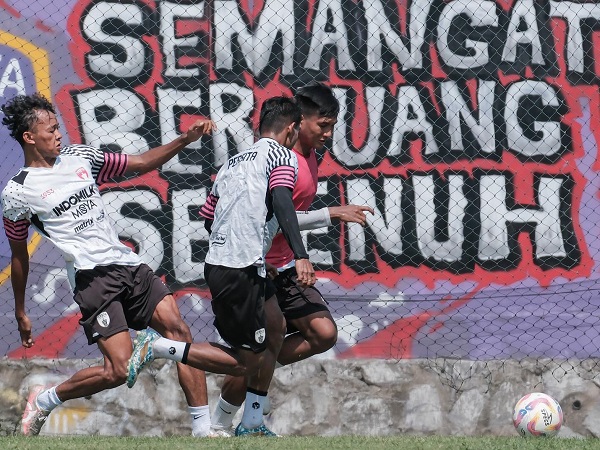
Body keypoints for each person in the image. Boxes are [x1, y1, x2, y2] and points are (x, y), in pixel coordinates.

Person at [0, 93, 224, 437]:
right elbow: (18, 254)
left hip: (128, 264)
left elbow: (141, 163)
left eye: (59, 127)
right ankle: (46, 399)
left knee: (177, 330)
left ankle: (202, 429)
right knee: (118, 370)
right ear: (29, 137)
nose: (59, 134)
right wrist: (20, 311)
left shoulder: (80, 157)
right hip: (93, 279)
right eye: (50, 130)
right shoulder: (17, 192)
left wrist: (184, 139)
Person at [128, 96, 317, 437]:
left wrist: (248, 246)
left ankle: (252, 422)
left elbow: (208, 217)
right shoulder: (284, 157)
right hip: (239, 269)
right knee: (249, 362)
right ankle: (156, 347)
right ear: (291, 129)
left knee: (275, 325)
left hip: (227, 264)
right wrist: (300, 253)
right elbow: (282, 199)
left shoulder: (233, 163)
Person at [209, 83, 374, 436]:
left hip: (283, 265)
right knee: (270, 337)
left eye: (332, 126)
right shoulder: (278, 160)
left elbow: (285, 214)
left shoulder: (313, 155)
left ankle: (254, 372)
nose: (328, 135)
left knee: (323, 333)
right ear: (298, 123)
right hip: (258, 265)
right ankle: (241, 415)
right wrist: (331, 213)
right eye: (323, 126)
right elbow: (276, 215)